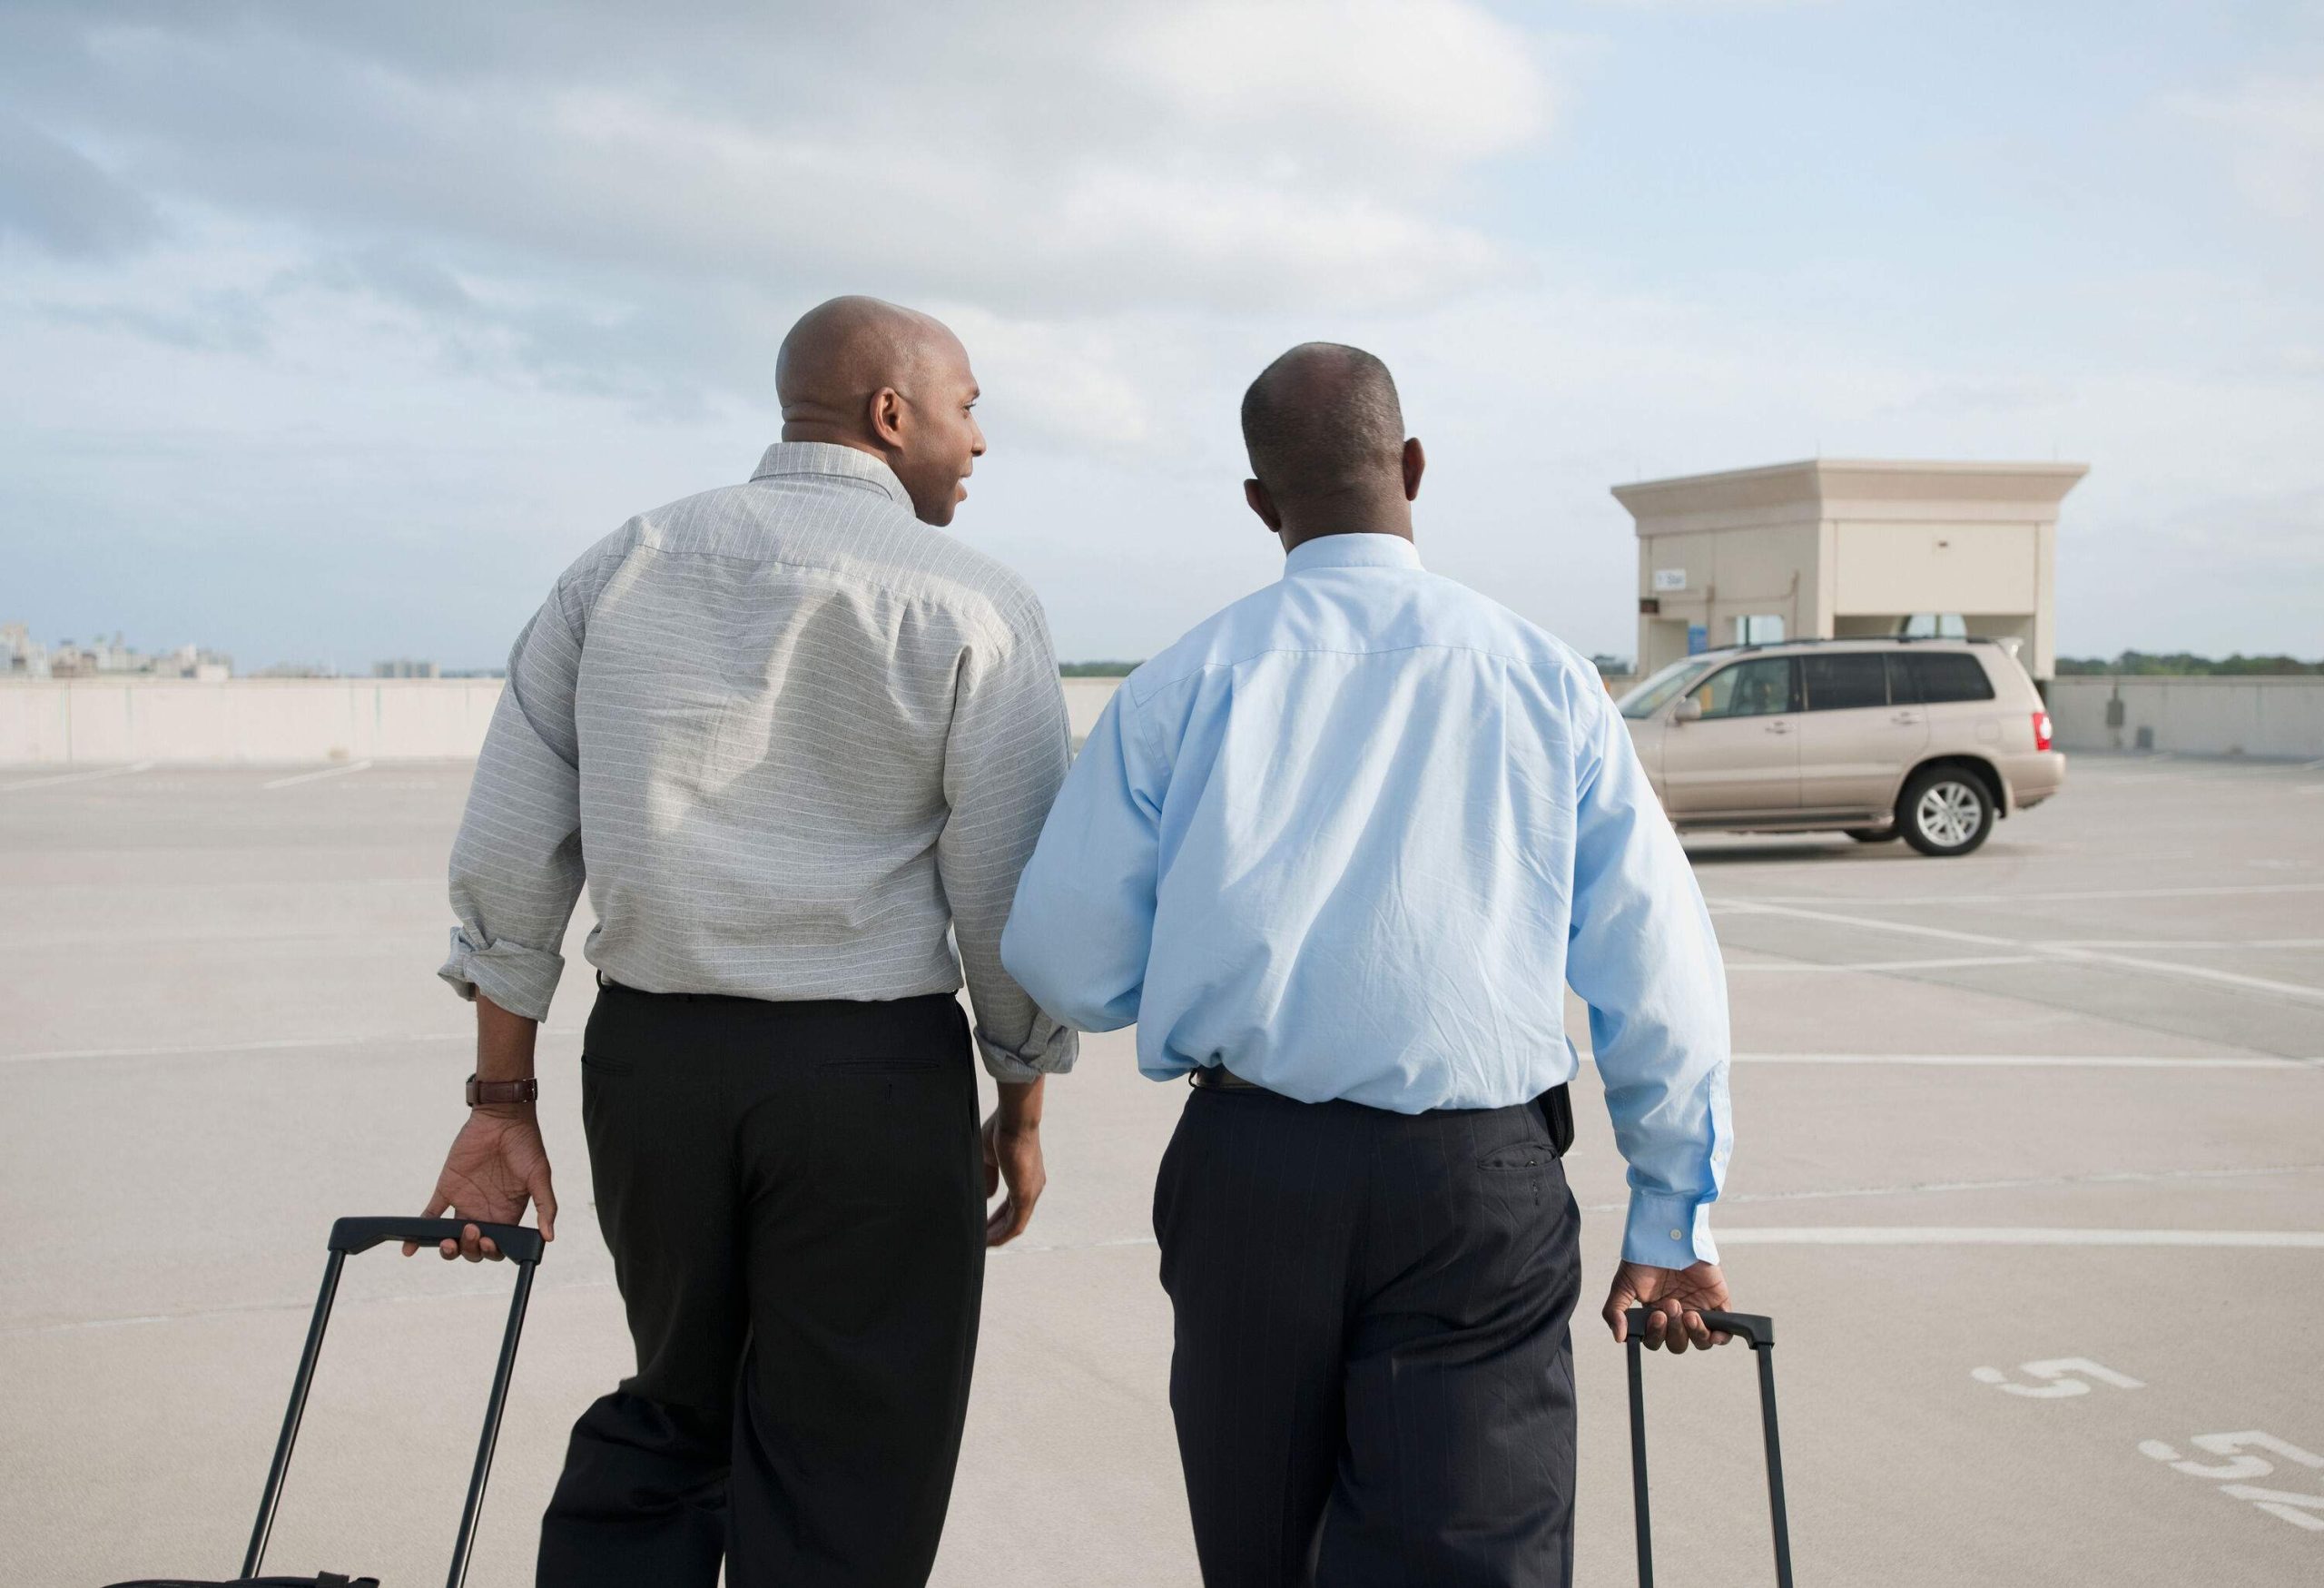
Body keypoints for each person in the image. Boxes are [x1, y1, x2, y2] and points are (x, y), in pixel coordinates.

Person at [1001, 344, 1736, 1588]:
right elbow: (1658, 973)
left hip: (1249, 1171)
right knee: (1471, 1558)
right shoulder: (1542, 676)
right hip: (1474, 1185)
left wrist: (1184, 972)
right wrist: (1671, 1211)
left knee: (1262, 1552)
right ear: (1411, 465)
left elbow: (1063, 961)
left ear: (1258, 502)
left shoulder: (1179, 683)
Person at [409, 296, 1076, 1588]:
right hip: (868, 1084)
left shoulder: (626, 562)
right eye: (968, 406)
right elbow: (1008, 900)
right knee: (853, 1466)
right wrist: (1023, 1098)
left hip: (653, 1065)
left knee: (675, 1404)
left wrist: (501, 1097)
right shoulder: (975, 601)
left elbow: (511, 848)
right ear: (892, 414)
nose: (980, 439)